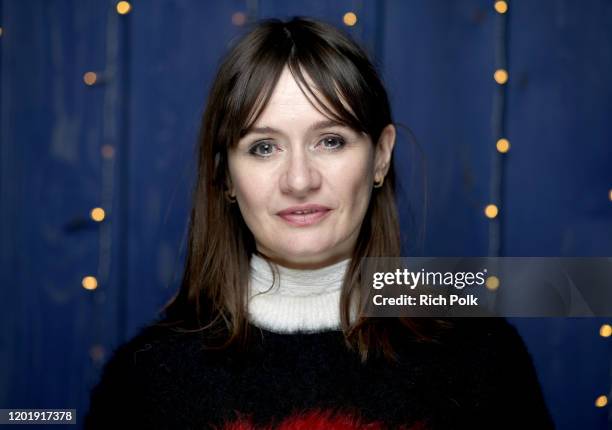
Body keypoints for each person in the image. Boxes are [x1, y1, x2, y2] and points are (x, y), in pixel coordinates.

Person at [84, 17, 554, 429]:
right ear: (225, 174)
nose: (300, 179)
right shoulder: (143, 380)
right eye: (263, 147)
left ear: (381, 157)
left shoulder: (482, 359)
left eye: (330, 140)